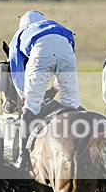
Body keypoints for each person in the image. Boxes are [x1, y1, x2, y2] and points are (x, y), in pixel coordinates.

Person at [8, 10, 81, 169]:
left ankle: (23, 158)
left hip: (41, 51)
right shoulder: (55, 25)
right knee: (74, 105)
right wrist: (57, 84)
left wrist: (23, 94)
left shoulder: (21, 33)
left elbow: (16, 67)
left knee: (31, 107)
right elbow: (70, 52)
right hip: (66, 50)